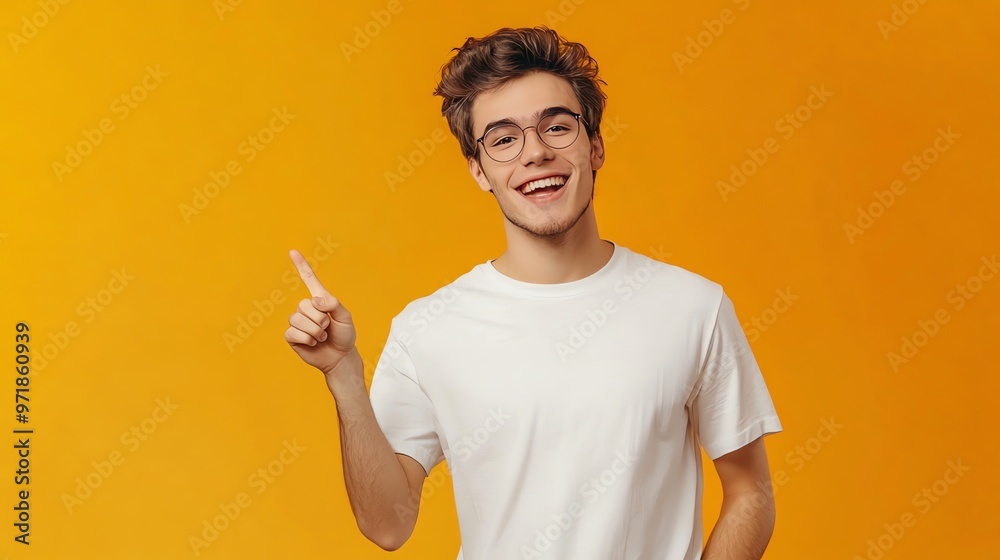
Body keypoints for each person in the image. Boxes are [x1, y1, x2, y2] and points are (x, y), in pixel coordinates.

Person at [285, 26, 783, 560]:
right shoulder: (427, 329)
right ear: (479, 171)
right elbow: (387, 525)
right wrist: (343, 378)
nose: (536, 153)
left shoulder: (692, 307)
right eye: (503, 139)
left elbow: (751, 492)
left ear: (595, 146)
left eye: (557, 127)